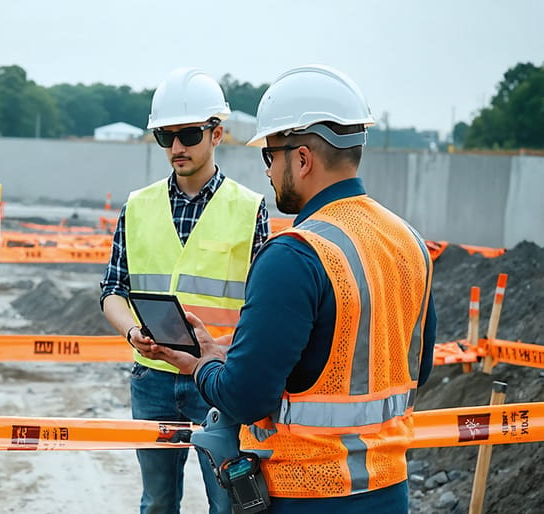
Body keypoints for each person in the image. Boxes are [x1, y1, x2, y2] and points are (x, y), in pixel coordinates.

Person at [149, 64, 437, 514]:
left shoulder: (294, 254)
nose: (267, 171)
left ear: (301, 159)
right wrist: (232, 352)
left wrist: (202, 366)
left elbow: (245, 397)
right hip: (388, 488)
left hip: (304, 492)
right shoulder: (407, 242)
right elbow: (411, 367)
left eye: (270, 156)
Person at [100, 67, 269, 514]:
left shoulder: (249, 209)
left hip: (216, 380)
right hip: (151, 377)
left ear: (218, 133)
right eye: (166, 137)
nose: (176, 147)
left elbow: (262, 306)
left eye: (189, 134)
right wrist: (132, 333)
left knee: (226, 502)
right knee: (156, 503)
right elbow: (113, 289)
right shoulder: (137, 206)